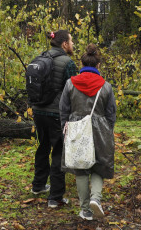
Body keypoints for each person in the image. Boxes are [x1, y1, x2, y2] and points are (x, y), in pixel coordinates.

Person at [59, 44, 116, 221]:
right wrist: (108, 130)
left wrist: (65, 129)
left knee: (81, 169)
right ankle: (95, 199)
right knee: (99, 165)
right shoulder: (106, 86)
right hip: (100, 130)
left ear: (81, 64)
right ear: (98, 65)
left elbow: (63, 110)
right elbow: (111, 114)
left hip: (76, 128)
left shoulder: (70, 84)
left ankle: (85, 210)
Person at [31, 29, 77, 208]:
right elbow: (73, 90)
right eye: (71, 41)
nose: (73, 44)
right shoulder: (68, 62)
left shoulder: (40, 58)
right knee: (58, 151)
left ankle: (38, 185)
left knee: (42, 147)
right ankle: (55, 197)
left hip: (38, 111)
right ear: (64, 44)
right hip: (56, 113)